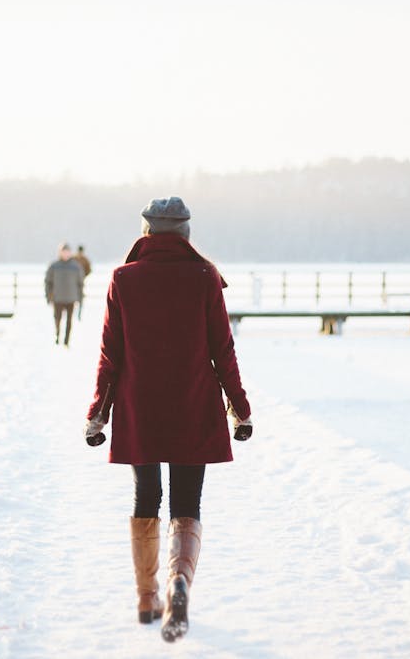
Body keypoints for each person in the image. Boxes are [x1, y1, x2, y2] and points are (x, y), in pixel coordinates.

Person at [83, 196, 253, 643]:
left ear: (146, 232)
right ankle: (180, 584)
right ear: (185, 234)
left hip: (141, 405)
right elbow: (223, 350)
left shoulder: (123, 278)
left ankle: (146, 597)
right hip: (194, 403)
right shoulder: (205, 278)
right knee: (186, 505)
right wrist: (240, 406)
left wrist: (98, 412)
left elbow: (110, 354)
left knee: (146, 498)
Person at [45, 243, 84, 346]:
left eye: (67, 252)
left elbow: (80, 283)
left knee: (69, 321)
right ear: (60, 253)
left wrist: (80, 298)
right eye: (63, 252)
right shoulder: (54, 266)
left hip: (71, 298)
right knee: (57, 318)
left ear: (70, 253)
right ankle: (57, 334)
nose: (65, 254)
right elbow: (48, 282)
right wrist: (48, 296)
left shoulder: (76, 266)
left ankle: (66, 340)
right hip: (57, 298)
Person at [73, 245, 92, 320]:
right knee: (72, 298)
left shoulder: (85, 259)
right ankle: (72, 313)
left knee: (80, 298)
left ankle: (79, 314)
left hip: (80, 282)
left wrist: (83, 275)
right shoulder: (73, 258)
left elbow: (89, 269)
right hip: (73, 282)